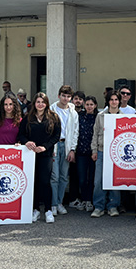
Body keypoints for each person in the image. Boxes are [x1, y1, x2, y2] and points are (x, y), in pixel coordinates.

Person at [18, 93, 61, 223]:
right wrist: (27, 142)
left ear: (47, 103)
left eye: (43, 102)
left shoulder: (53, 117)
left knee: (45, 182)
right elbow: (21, 134)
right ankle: (35, 209)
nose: (40, 104)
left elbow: (56, 136)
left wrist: (45, 147)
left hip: (46, 154)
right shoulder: (28, 118)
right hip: (30, 155)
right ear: (34, 104)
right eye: (38, 102)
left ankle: (48, 210)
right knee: (34, 182)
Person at [91, 92, 123, 218]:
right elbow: (95, 134)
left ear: (119, 101)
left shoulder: (124, 117)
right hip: (102, 151)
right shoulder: (100, 116)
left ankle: (113, 206)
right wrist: (94, 150)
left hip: (117, 153)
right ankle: (99, 206)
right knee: (98, 180)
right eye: (112, 100)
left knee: (115, 180)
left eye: (116, 99)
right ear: (108, 101)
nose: (114, 102)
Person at [50, 85, 79, 216]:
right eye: (63, 96)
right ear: (59, 96)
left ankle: (60, 202)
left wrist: (72, 149)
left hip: (67, 146)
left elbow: (75, 132)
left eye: (68, 96)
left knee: (63, 176)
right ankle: (53, 204)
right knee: (54, 176)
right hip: (55, 145)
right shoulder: (51, 109)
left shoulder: (73, 113)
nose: (65, 98)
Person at [74, 96, 98, 212]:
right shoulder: (79, 116)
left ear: (95, 106)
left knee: (92, 177)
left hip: (93, 152)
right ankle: (83, 199)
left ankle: (90, 200)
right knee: (82, 178)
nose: (89, 106)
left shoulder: (98, 117)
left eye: (91, 104)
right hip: (81, 152)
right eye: (87, 104)